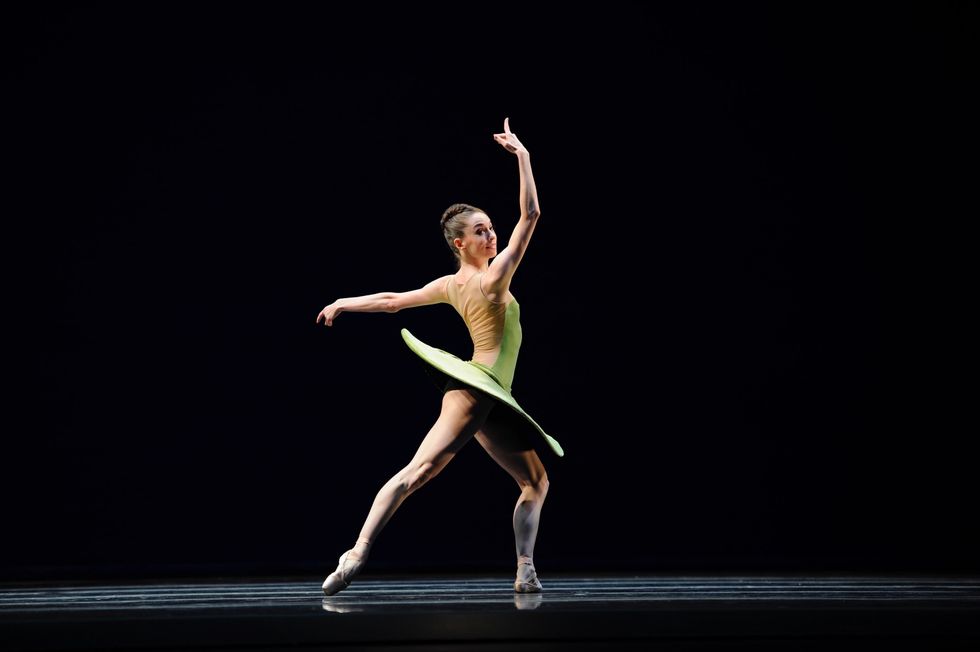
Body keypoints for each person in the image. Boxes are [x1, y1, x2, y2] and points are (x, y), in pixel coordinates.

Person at [315, 118, 563, 596]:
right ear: (460, 244)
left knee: (536, 481)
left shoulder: (450, 286)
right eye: (481, 231)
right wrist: (525, 158)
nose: (492, 236)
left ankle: (525, 569)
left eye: (492, 228)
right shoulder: (492, 282)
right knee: (419, 471)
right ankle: (356, 552)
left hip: (496, 396)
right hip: (476, 387)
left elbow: (391, 300)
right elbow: (530, 217)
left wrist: (346, 301)